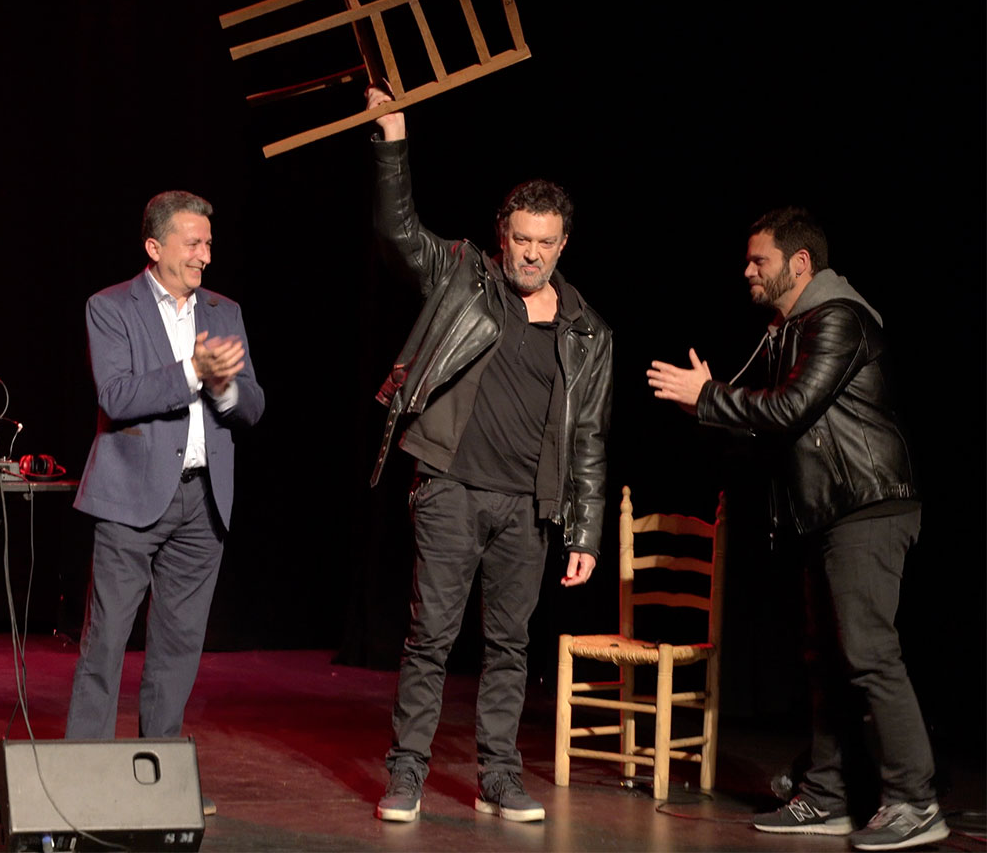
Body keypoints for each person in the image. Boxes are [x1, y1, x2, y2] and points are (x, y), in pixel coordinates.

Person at [646, 207, 946, 851]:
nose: (748, 270)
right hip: (825, 513)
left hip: (867, 506)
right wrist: (711, 408)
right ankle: (829, 798)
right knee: (828, 663)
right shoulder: (792, 330)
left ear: (800, 262)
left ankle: (916, 801)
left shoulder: (839, 318)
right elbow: (770, 427)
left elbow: (790, 408)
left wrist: (707, 396)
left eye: (760, 260)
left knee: (869, 653)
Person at [365, 88, 612, 824]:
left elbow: (589, 437)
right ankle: (406, 773)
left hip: (529, 508)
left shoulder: (588, 331)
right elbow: (398, 231)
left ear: (563, 245)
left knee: (510, 646)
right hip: (451, 486)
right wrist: (393, 138)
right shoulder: (463, 277)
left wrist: (584, 532)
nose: (531, 253)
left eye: (546, 242)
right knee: (430, 638)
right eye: (522, 239)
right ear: (503, 235)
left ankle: (499, 777)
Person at [63, 191, 265, 796]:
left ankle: (156, 786)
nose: (205, 255)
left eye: (209, 243)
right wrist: (193, 372)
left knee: (177, 650)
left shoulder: (225, 312)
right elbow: (117, 395)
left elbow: (253, 405)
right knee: (105, 643)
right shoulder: (110, 307)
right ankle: (83, 784)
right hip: (130, 499)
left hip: (203, 503)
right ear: (155, 247)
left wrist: (226, 386)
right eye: (193, 243)